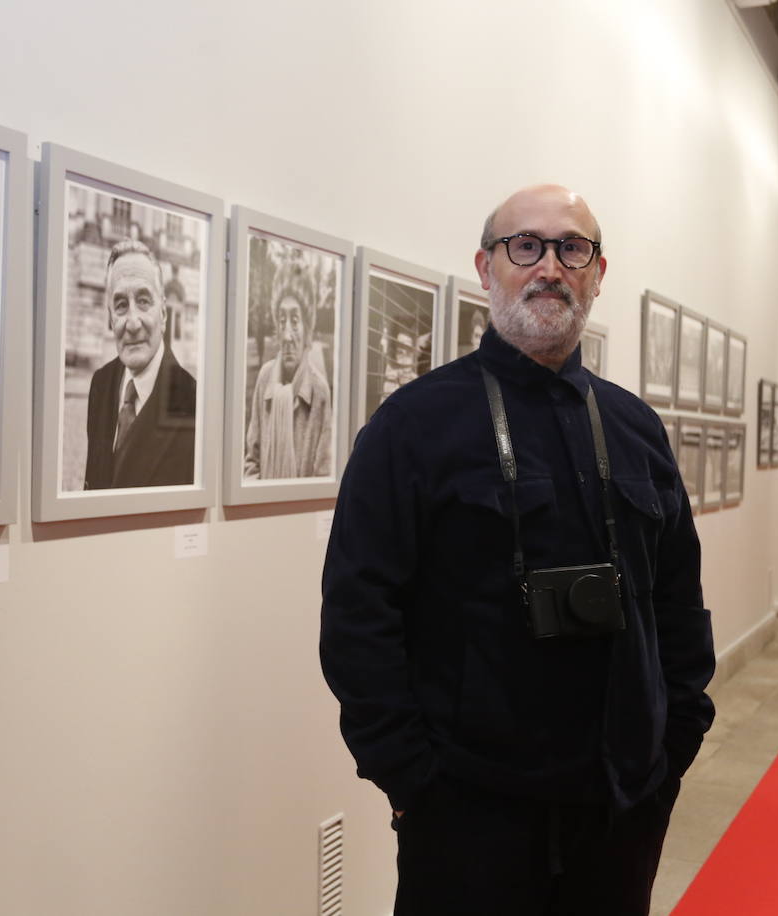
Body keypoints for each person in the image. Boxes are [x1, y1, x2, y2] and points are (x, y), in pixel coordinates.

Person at [320, 185, 715, 915]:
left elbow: (678, 599)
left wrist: (675, 743)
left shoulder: (635, 427)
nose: (549, 267)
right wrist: (412, 782)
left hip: (619, 805)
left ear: (598, 273)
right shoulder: (413, 427)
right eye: (525, 246)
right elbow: (357, 614)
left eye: (573, 248)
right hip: (469, 813)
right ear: (486, 266)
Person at [84, 240, 197, 489]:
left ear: (164, 314)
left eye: (144, 301)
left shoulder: (193, 402)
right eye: (121, 305)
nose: (133, 323)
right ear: (111, 319)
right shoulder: (101, 383)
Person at [243, 269, 332, 479]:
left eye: (295, 320)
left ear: (307, 327)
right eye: (282, 320)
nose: (287, 335)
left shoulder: (319, 392)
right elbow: (252, 461)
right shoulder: (265, 378)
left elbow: (322, 474)